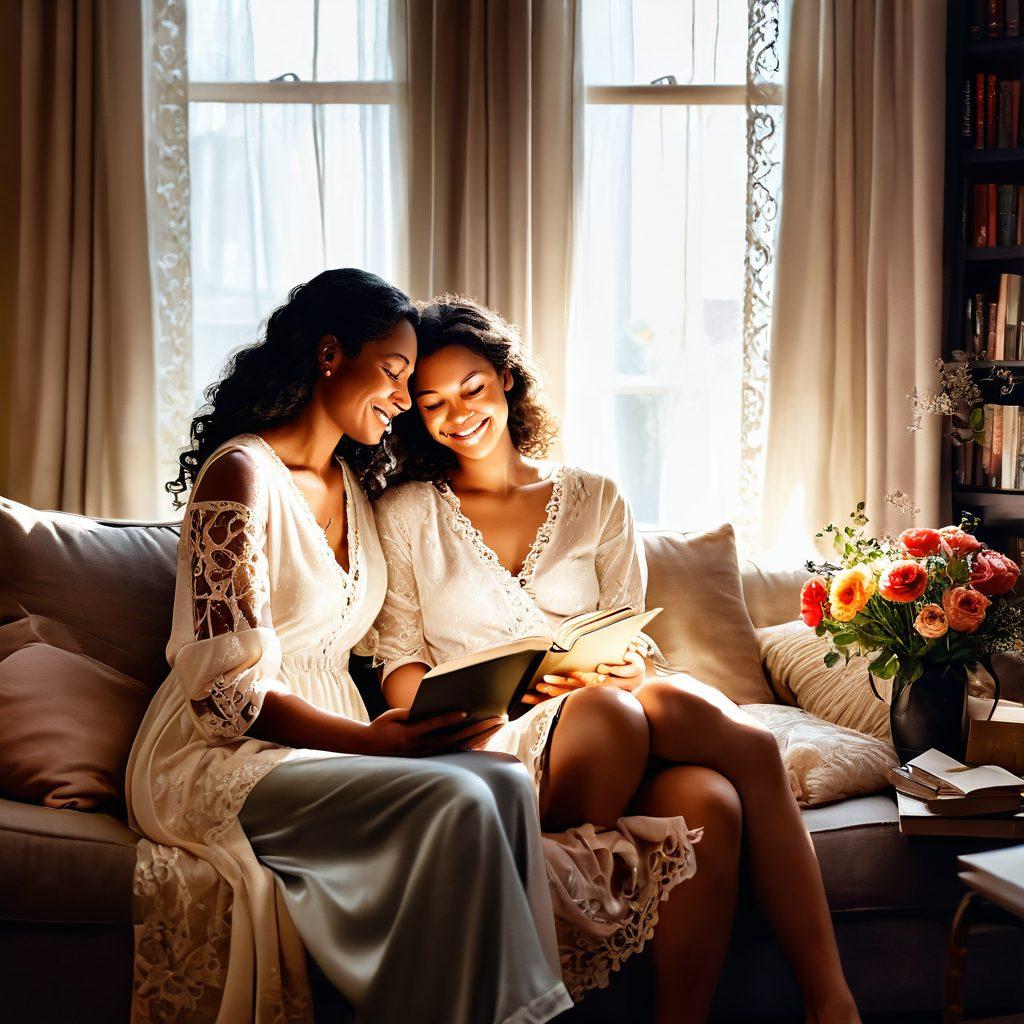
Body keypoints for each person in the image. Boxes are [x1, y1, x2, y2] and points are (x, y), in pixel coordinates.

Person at [367, 295, 862, 1024]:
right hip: (494, 742)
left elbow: (629, 632)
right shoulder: (405, 510)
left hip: (615, 714)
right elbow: (399, 662)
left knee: (712, 799)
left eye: (471, 388)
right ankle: (835, 1008)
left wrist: (629, 665)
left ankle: (824, 1002)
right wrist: (478, 703)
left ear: (505, 378)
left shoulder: (595, 497)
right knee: (614, 714)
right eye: (433, 402)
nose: (457, 413)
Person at [125, 271, 572, 1024]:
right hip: (220, 754)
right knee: (462, 797)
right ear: (331, 353)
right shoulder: (239, 476)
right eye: (395, 372)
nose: (404, 399)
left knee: (504, 783)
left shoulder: (355, 490)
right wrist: (371, 743)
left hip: (335, 744)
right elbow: (224, 698)